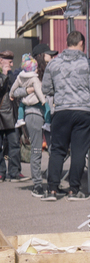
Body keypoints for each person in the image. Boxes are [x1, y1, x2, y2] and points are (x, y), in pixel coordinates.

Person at [41, 30, 90, 201]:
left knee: (58, 150)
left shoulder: (54, 64)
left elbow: (46, 89)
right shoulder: (88, 63)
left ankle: (52, 190)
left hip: (61, 111)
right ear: (81, 43)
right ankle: (74, 190)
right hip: (84, 112)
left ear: (67, 42)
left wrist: (60, 92)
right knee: (78, 152)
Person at [10, 44, 57, 197]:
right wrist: (28, 90)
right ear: (41, 56)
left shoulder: (52, 71)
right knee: (36, 150)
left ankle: (52, 184)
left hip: (50, 114)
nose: (52, 56)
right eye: (49, 54)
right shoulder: (26, 72)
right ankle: (37, 185)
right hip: (34, 112)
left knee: (53, 150)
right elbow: (15, 91)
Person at [0, 50, 26, 182]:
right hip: (1, 114)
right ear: (1, 61)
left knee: (15, 144)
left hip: (12, 114)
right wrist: (3, 75)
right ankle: (1, 172)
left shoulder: (12, 75)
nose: (11, 64)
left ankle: (15, 172)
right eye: (9, 61)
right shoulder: (4, 75)